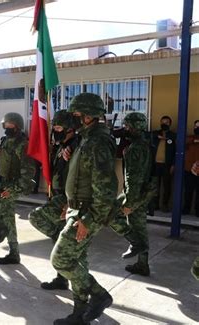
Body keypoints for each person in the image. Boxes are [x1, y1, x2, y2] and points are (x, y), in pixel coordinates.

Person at [51, 93, 117, 324]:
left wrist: (88, 220)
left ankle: (99, 296)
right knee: (77, 263)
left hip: (87, 214)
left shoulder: (98, 142)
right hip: (77, 210)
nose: (74, 119)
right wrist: (70, 206)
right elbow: (81, 177)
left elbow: (106, 189)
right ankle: (79, 313)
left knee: (60, 260)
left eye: (77, 115)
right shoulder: (86, 139)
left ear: (89, 116)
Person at [29, 110, 79, 289]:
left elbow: (80, 177)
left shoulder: (77, 146)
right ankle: (61, 278)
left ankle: (79, 282)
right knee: (58, 241)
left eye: (58, 127)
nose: (55, 131)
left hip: (67, 199)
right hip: (56, 194)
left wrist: (70, 202)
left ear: (70, 129)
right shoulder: (59, 145)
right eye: (54, 127)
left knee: (36, 217)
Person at [0, 112, 35, 264]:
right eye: (5, 124)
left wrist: (13, 189)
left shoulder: (22, 143)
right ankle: (3, 232)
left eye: (9, 124)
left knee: (5, 212)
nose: (6, 127)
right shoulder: (5, 140)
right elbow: (5, 161)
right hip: (4, 182)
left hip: (15, 184)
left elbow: (29, 172)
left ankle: (11, 248)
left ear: (17, 126)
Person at [109, 112, 153, 277]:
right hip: (143, 193)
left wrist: (129, 203)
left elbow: (133, 178)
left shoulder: (135, 148)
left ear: (135, 128)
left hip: (135, 193)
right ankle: (142, 264)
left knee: (111, 213)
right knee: (140, 229)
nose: (124, 129)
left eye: (127, 126)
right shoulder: (143, 143)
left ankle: (135, 245)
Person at [149, 115, 176, 214]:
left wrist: (173, 164)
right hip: (156, 165)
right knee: (155, 186)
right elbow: (149, 135)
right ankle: (155, 204)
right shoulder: (155, 134)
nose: (164, 124)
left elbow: (176, 151)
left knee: (166, 186)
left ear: (170, 124)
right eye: (163, 122)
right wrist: (158, 136)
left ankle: (164, 205)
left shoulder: (173, 136)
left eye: (167, 122)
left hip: (167, 165)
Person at [183, 120, 199, 217]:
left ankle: (198, 211)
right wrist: (195, 140)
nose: (197, 128)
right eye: (196, 126)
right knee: (188, 191)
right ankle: (186, 209)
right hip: (188, 169)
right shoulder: (189, 137)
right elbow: (183, 141)